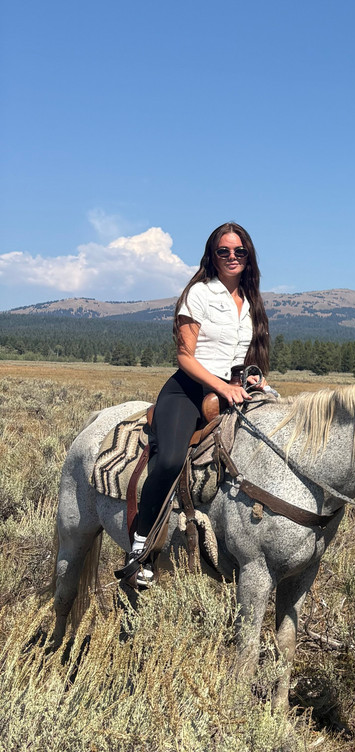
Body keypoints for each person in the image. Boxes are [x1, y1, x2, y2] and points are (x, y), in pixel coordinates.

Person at [116, 222, 270, 587]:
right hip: (187, 390)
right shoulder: (199, 294)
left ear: (248, 258)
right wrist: (220, 387)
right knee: (169, 459)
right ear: (212, 256)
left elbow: (244, 354)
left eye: (239, 251)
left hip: (229, 390)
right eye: (224, 251)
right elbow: (185, 356)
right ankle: (140, 547)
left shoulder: (250, 302)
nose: (232, 257)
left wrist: (253, 377)